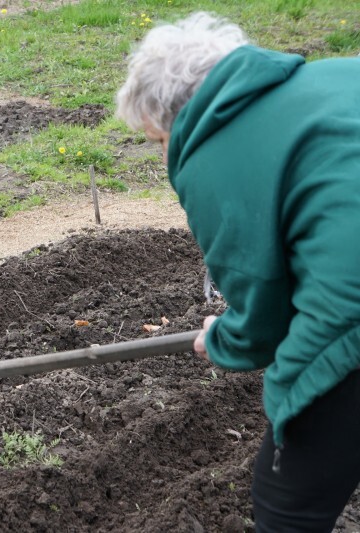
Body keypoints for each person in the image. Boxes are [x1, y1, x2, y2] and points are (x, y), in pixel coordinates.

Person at [116, 12, 360, 532]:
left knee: (287, 506)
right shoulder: (338, 74)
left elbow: (263, 318)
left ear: (168, 118)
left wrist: (222, 341)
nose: (163, 152)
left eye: (156, 140)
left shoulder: (210, 156)